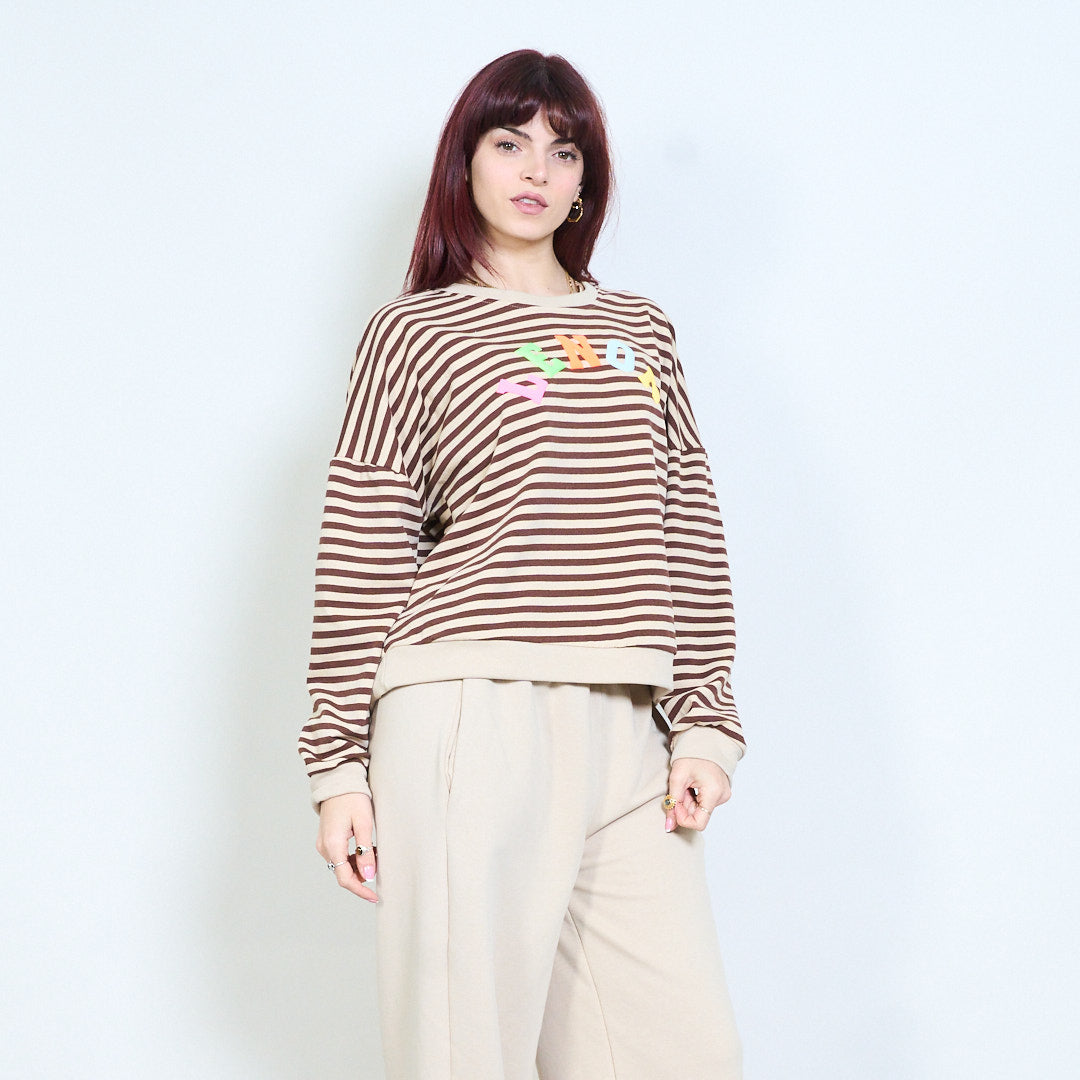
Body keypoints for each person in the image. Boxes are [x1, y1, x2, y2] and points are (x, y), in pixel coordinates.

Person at [298, 48, 747, 1080]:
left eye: (564, 150)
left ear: (587, 180)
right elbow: (363, 545)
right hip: (468, 714)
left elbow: (686, 523)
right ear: (466, 164)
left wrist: (707, 722)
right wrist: (337, 766)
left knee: (684, 1054)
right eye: (509, 143)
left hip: (628, 727)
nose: (536, 169)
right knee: (465, 1055)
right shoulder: (412, 333)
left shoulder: (642, 331)